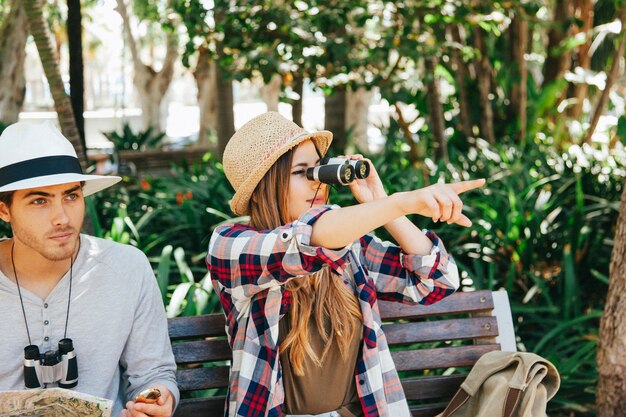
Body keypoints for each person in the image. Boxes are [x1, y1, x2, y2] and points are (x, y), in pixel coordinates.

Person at [206, 112, 485, 417]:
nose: (317, 183)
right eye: (302, 172)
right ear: (261, 191)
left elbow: (436, 280)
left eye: (319, 169)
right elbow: (305, 241)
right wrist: (404, 201)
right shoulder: (229, 245)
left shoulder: (351, 250)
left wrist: (381, 201)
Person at [0, 121, 179, 417]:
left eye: (71, 196)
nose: (62, 218)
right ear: (4, 209)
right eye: (39, 201)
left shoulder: (126, 268)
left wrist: (157, 400)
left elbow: (152, 374)